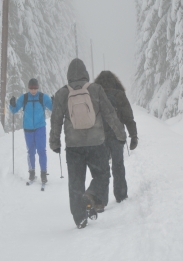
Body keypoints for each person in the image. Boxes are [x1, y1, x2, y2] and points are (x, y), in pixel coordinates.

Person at [49, 58, 126, 229]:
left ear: (68, 75)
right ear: (85, 73)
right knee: (102, 175)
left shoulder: (62, 93)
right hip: (96, 143)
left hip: (73, 146)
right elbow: (109, 114)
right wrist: (120, 134)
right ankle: (91, 195)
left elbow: (55, 120)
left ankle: (80, 219)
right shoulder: (95, 89)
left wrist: (54, 142)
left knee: (75, 183)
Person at [94, 71, 138, 204]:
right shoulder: (119, 95)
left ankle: (101, 198)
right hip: (117, 136)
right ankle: (121, 195)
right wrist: (133, 136)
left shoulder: (95, 94)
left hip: (100, 136)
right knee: (118, 165)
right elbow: (128, 117)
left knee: (102, 167)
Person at [9, 78, 52, 183]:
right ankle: (31, 173)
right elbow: (14, 110)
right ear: (28, 88)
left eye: (35, 88)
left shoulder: (42, 97)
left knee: (41, 150)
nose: (33, 91)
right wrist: (12, 104)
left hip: (40, 127)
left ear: (37, 88)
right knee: (31, 151)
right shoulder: (24, 98)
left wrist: (54, 102)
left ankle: (43, 174)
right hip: (28, 129)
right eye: (31, 88)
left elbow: (53, 108)